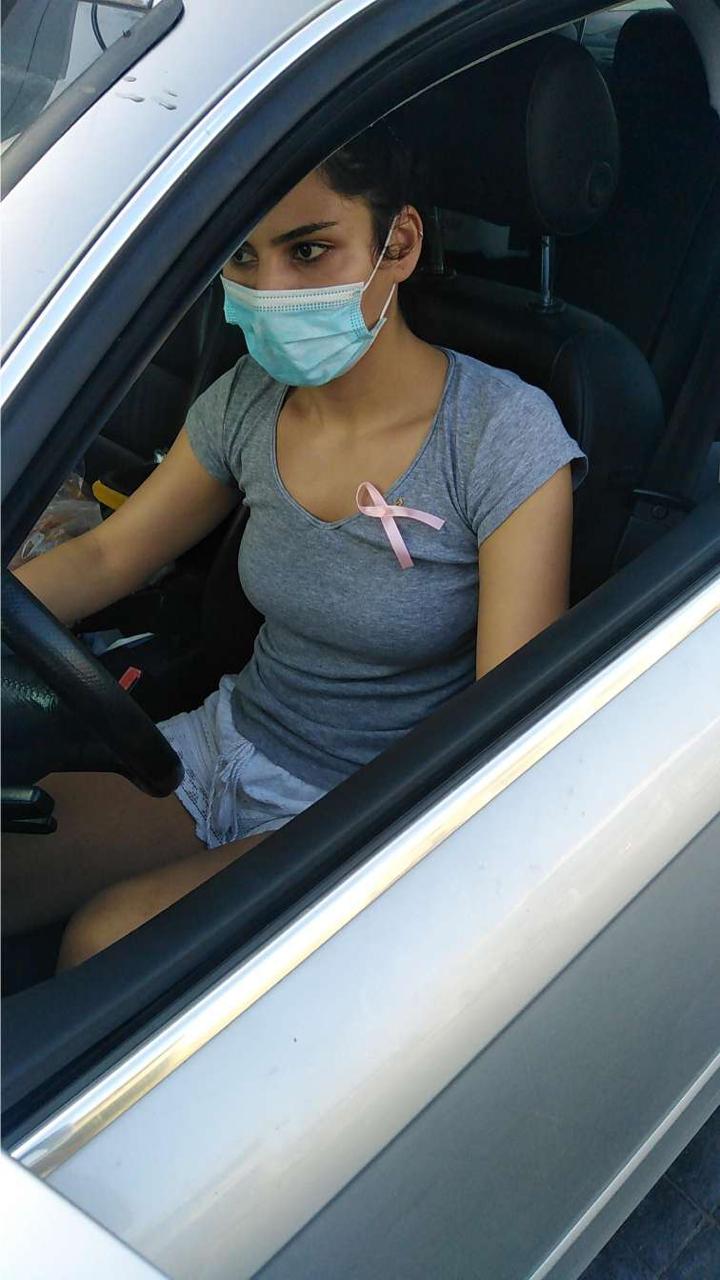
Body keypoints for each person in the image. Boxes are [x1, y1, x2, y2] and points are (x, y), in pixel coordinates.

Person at [4, 124, 587, 969]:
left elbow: (508, 718)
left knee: (107, 942)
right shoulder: (249, 397)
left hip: (361, 807)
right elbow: (108, 556)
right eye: (243, 257)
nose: (269, 289)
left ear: (399, 245)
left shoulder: (501, 435)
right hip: (218, 747)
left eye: (308, 251)